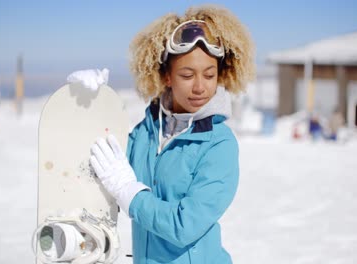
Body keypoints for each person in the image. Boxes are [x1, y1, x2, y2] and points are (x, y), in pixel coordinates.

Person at [89, 5, 254, 263]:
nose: (200, 87)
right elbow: (104, 161)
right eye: (187, 75)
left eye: (209, 75)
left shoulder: (219, 144)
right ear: (167, 76)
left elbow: (184, 226)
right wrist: (90, 104)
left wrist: (131, 195)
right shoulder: (145, 134)